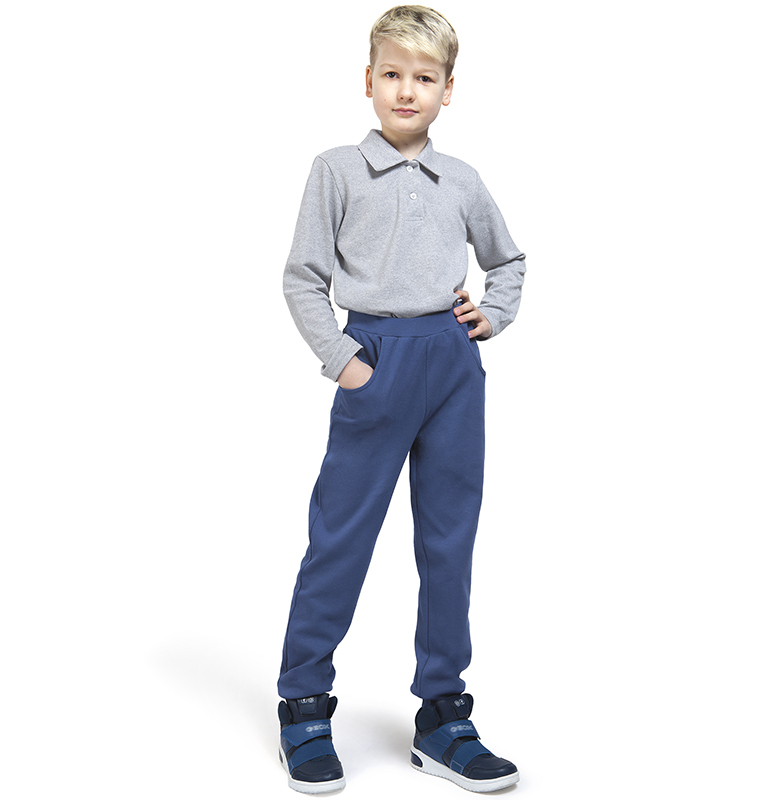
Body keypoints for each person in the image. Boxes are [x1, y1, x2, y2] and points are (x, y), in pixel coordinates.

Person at [277, 5, 526, 794]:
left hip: (451, 368)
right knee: (341, 536)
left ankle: (443, 715)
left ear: (448, 90)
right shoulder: (337, 171)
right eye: (392, 74)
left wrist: (493, 313)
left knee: (449, 541)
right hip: (377, 361)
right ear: (368, 81)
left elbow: (508, 260)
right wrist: (345, 362)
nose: (406, 91)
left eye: (424, 77)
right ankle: (303, 703)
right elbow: (302, 278)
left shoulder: (463, 180)